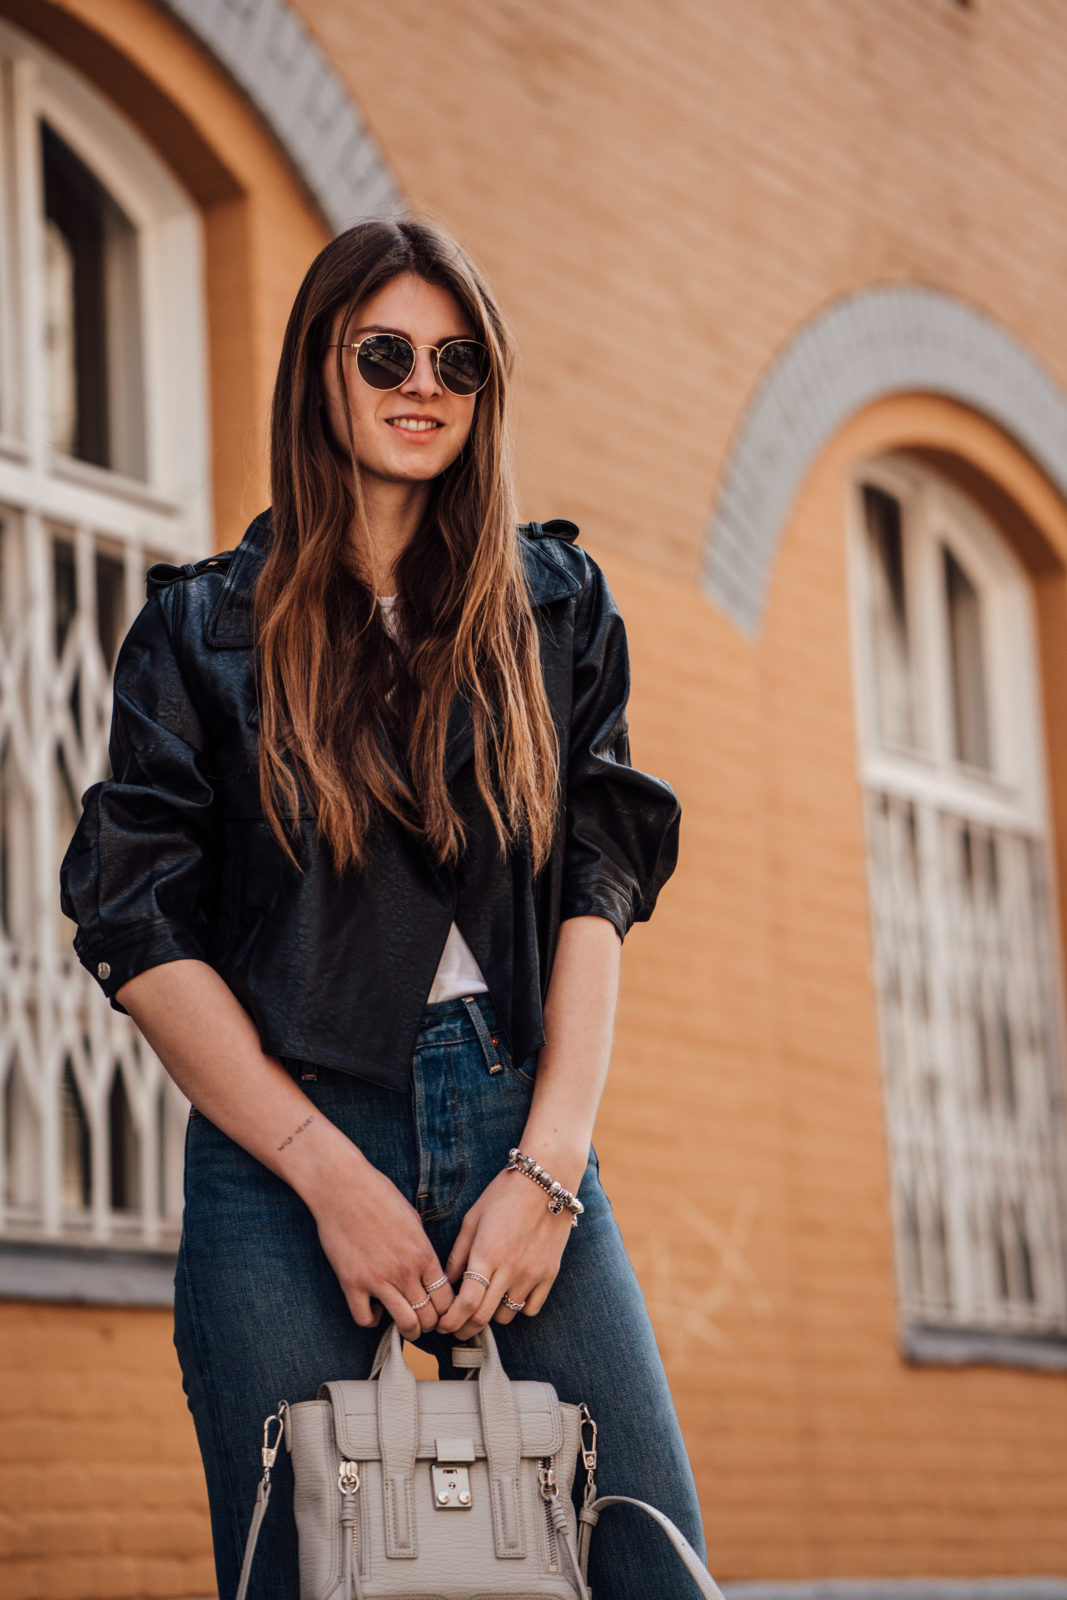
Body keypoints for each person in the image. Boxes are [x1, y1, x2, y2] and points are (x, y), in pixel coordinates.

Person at [59, 217, 706, 1599]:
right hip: (285, 1145)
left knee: (650, 1556)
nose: (424, 385)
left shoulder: (556, 607)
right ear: (322, 370)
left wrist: (550, 1171)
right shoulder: (200, 632)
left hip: (518, 1122)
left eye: (458, 361)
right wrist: (330, 1178)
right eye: (388, 353)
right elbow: (138, 929)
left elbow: (601, 878)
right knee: (295, 1573)